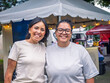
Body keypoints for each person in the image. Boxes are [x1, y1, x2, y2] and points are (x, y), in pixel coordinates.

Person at [4, 17, 49, 83]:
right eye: (36, 28)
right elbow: (9, 73)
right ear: (29, 29)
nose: (39, 31)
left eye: (42, 30)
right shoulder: (18, 45)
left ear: (44, 33)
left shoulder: (44, 48)